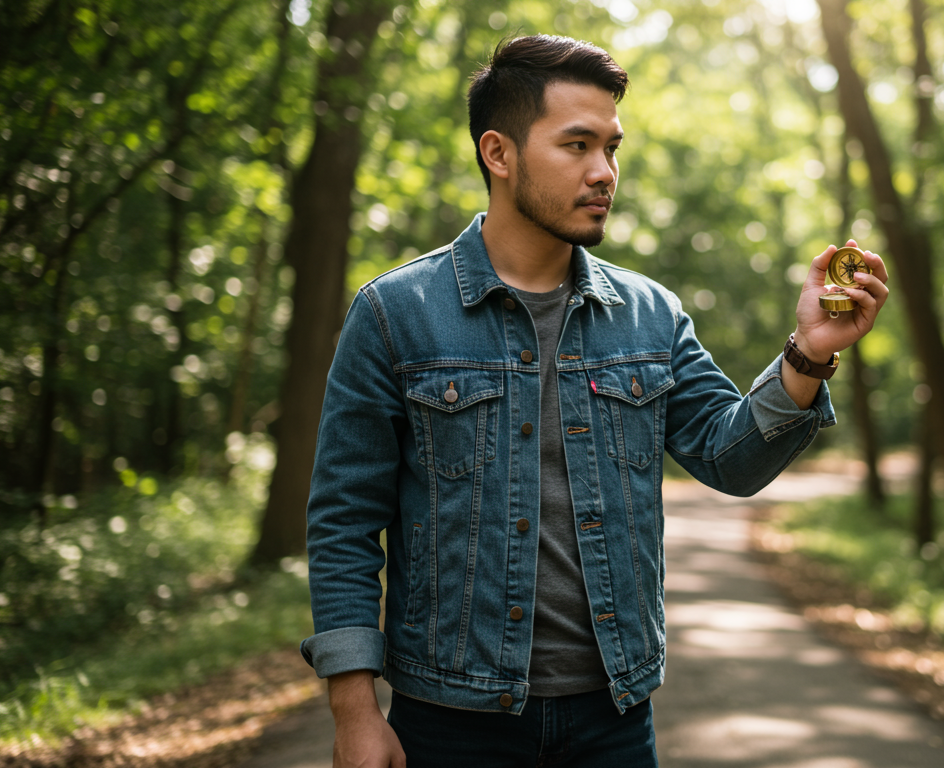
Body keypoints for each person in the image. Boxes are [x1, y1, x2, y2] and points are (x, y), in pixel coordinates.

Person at [299, 34, 889, 768]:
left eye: (611, 147)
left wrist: (810, 352)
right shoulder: (395, 314)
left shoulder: (650, 314)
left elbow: (727, 457)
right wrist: (353, 709)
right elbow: (344, 522)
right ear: (498, 152)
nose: (604, 172)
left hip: (614, 720)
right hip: (452, 721)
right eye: (576, 145)